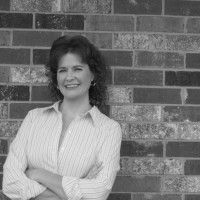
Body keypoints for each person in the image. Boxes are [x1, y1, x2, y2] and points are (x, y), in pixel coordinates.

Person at [3, 35, 122, 200]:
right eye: (62, 70)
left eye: (77, 69)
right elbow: (10, 183)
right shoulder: (33, 119)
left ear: (93, 74)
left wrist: (38, 174)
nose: (69, 77)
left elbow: (98, 192)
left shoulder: (109, 129)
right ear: (56, 78)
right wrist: (77, 188)